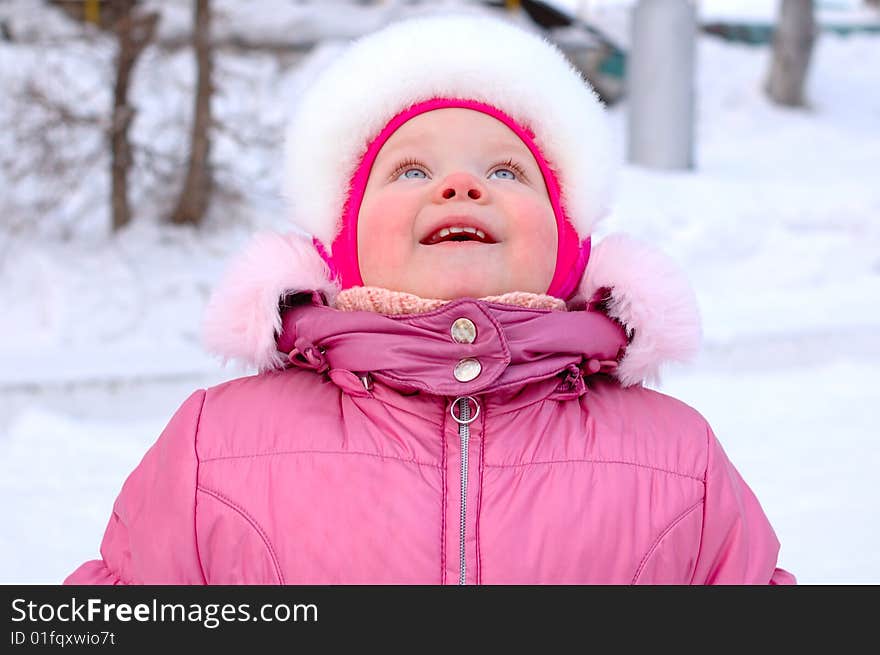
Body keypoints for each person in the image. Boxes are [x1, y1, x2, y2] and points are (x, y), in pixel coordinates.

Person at [65, 12, 795, 585]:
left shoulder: (677, 458)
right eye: (411, 169)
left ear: (568, 245)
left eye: (507, 172)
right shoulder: (214, 446)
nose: (461, 186)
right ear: (341, 244)